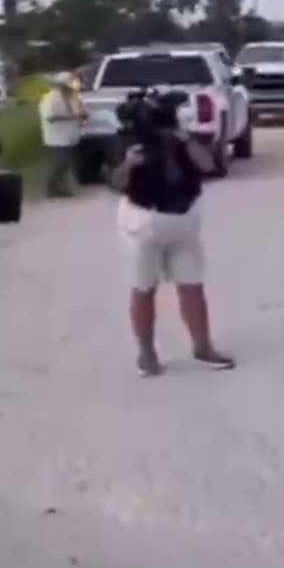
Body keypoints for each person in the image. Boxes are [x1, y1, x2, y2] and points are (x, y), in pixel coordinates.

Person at [109, 90, 235, 377]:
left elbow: (208, 166)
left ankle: (203, 346)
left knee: (192, 286)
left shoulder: (182, 140)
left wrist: (184, 139)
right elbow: (116, 182)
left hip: (184, 219)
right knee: (143, 288)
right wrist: (129, 163)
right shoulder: (129, 140)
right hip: (143, 221)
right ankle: (146, 353)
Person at [38, 72, 83, 198]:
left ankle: (60, 188)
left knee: (66, 163)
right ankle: (51, 188)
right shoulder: (50, 98)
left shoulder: (71, 98)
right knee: (60, 163)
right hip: (56, 138)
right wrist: (71, 117)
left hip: (69, 136)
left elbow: (77, 113)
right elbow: (50, 117)